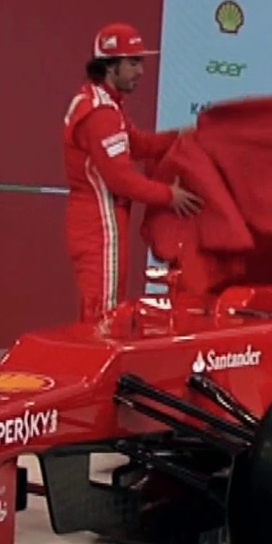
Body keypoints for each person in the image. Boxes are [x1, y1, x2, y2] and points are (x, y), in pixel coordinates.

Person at [61, 22, 202, 322]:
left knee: (102, 310)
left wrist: (179, 136)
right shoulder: (101, 114)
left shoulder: (105, 104)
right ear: (110, 66)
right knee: (104, 315)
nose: (140, 71)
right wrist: (169, 196)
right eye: (133, 63)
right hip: (99, 224)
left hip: (100, 222)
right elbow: (120, 180)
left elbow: (137, 144)